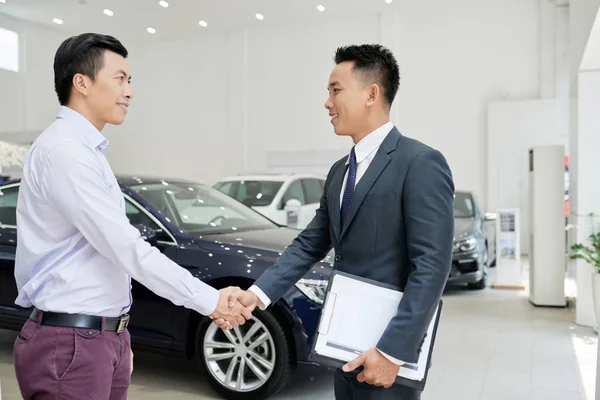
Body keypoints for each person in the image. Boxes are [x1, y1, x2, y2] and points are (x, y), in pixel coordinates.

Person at [12, 33, 250, 400]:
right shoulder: (65, 152)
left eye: (130, 81)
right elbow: (123, 246)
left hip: (95, 339)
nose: (130, 91)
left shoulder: (86, 151)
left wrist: (115, 337)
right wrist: (210, 300)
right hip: (72, 343)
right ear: (82, 83)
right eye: (120, 78)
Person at [220, 44, 454, 400]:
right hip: (342, 343)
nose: (327, 103)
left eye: (335, 90)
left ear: (371, 93)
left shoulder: (419, 162)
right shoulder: (339, 172)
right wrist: (257, 294)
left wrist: (393, 352)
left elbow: (432, 265)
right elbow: (309, 244)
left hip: (385, 350)